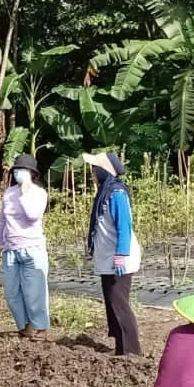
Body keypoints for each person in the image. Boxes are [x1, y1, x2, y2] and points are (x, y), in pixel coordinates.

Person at [82, 151, 142, 356]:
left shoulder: (116, 194)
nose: (91, 172)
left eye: (94, 168)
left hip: (119, 259)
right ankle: (120, 347)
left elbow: (124, 226)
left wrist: (121, 254)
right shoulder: (104, 193)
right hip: (108, 258)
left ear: (103, 170)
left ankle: (132, 352)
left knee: (120, 304)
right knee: (111, 303)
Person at [0, 154, 50, 340]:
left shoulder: (39, 193)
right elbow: (3, 219)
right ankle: (24, 325)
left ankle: (40, 327)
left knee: (34, 290)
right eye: (16, 171)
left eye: (22, 171)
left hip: (32, 248)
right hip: (11, 249)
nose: (18, 173)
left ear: (32, 174)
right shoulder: (9, 193)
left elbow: (33, 215)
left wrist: (25, 191)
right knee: (12, 292)